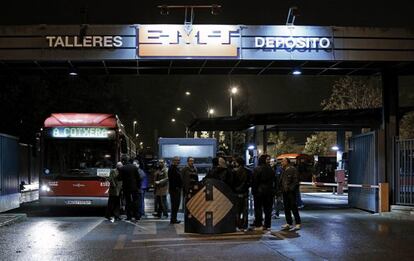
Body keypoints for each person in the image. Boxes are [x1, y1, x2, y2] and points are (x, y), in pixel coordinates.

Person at [251, 154, 276, 230]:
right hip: (269, 192)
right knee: (268, 209)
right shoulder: (271, 169)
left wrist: (254, 191)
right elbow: (274, 181)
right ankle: (267, 225)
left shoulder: (257, 169)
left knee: (258, 208)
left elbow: (254, 182)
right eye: (268, 159)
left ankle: (258, 224)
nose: (269, 161)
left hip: (259, 192)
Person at [280, 157, 301, 230]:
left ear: (287, 162)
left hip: (291, 192)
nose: (281, 162)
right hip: (284, 191)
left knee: (293, 207)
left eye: (283, 161)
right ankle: (289, 223)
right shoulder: (283, 170)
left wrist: (291, 189)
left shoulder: (293, 169)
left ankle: (298, 223)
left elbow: (296, 181)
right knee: (286, 208)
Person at [119, 157, 142, 221]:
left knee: (128, 202)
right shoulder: (134, 167)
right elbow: (138, 178)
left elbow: (119, 178)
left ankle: (129, 216)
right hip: (134, 187)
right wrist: (138, 186)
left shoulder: (122, 168)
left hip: (126, 188)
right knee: (136, 201)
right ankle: (137, 216)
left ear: (123, 162)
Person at [232, 157, 250, 231]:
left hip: (237, 192)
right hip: (245, 192)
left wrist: (236, 189)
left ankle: (238, 224)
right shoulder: (247, 171)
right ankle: (244, 225)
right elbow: (248, 182)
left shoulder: (235, 171)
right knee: (245, 210)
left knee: (238, 210)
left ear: (238, 163)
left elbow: (233, 182)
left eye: (235, 162)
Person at [168, 156, 182, 224]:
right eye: (176, 160)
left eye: (179, 160)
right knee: (175, 205)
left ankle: (174, 218)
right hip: (174, 190)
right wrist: (176, 187)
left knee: (176, 205)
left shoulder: (176, 168)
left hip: (176, 189)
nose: (178, 161)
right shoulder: (172, 168)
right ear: (173, 161)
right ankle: (173, 219)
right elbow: (172, 179)